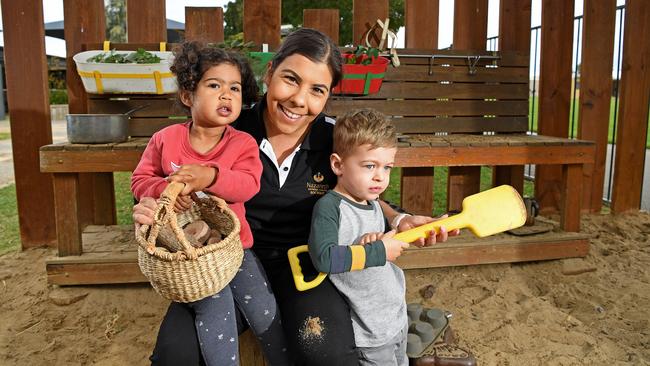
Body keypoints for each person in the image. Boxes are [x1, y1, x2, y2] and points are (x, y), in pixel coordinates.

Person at [133, 28, 457, 366]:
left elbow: (363, 193)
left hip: (304, 265)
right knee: (175, 354)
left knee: (322, 349)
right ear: (270, 72)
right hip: (224, 262)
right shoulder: (229, 130)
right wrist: (152, 203)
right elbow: (166, 179)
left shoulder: (333, 141)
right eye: (290, 79)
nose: (299, 100)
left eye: (317, 90)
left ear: (328, 95)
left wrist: (399, 218)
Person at [131, 41, 290, 366]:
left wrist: (210, 176)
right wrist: (166, 188)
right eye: (214, 85)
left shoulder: (242, 143)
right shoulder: (166, 139)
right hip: (191, 256)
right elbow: (139, 181)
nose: (226, 94)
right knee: (214, 307)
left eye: (234, 87)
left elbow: (247, 184)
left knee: (263, 309)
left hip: (235, 249)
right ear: (188, 95)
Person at [308, 108, 410, 365]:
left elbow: (369, 245)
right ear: (338, 164)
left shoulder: (371, 200)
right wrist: (376, 251)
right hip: (370, 331)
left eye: (387, 167)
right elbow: (324, 257)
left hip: (395, 316)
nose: (380, 176)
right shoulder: (330, 208)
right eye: (369, 166)